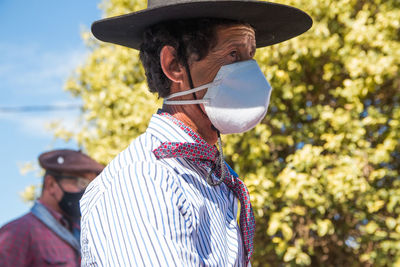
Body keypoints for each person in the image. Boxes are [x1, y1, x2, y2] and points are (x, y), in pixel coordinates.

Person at [81, 0, 312, 266]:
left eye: (252, 55)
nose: (251, 72)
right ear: (174, 64)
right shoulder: (146, 180)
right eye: (233, 54)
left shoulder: (209, 176)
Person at [0, 149, 104, 267]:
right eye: (81, 183)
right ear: (51, 184)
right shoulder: (19, 232)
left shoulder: (84, 232)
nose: (86, 192)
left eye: (90, 186)